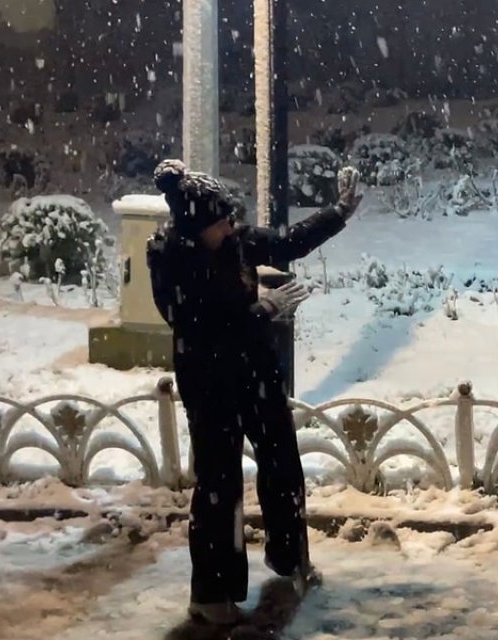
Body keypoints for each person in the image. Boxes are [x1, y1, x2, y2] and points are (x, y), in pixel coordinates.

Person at [146, 159, 361, 625]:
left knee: (283, 463)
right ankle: (211, 592)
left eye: (230, 216)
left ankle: (290, 558)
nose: (231, 225)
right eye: (221, 220)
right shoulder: (171, 260)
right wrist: (261, 309)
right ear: (195, 225)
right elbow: (198, 325)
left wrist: (338, 214)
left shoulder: (232, 240)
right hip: (209, 382)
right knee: (219, 484)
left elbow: (285, 244)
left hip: (254, 372)